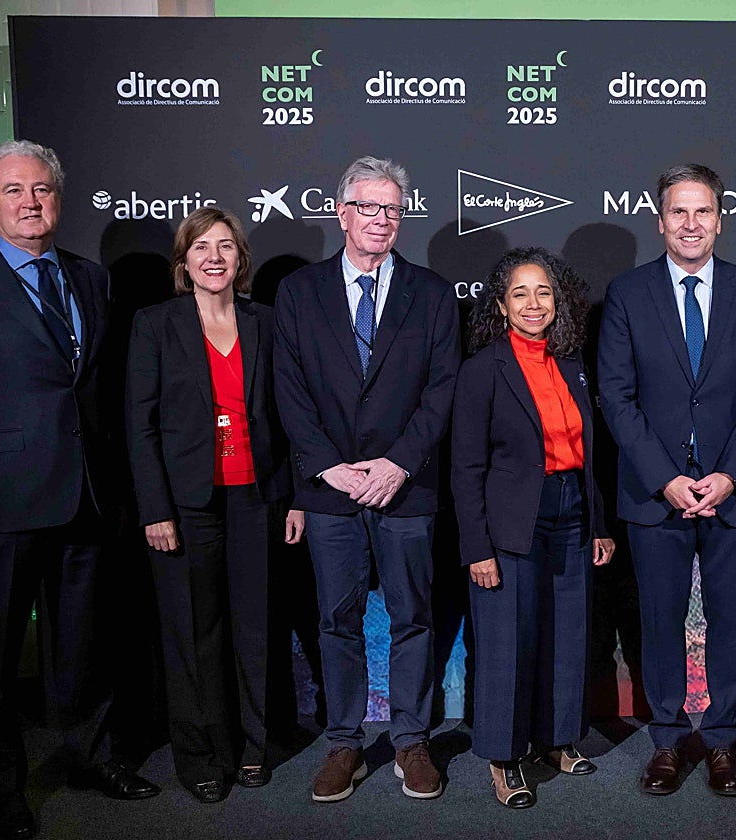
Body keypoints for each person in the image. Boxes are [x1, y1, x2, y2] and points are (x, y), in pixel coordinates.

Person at [0, 140, 159, 840]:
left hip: (87, 497)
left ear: (60, 198)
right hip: (2, 501)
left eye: (42, 190)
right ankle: (1, 791)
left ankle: (91, 759)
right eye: (14, 190)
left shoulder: (89, 278)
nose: (30, 202)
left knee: (86, 644)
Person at [274, 156, 460, 803]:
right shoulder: (299, 293)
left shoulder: (433, 294)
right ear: (342, 212)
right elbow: (290, 393)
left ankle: (411, 740)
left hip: (406, 487)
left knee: (413, 617)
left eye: (392, 209)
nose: (382, 220)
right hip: (329, 491)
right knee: (336, 621)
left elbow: (442, 392)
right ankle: (345, 743)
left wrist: (397, 463)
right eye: (370, 207)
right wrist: (331, 468)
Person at [597, 163, 736, 797]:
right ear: (660, 220)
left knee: (731, 619)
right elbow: (617, 398)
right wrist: (665, 478)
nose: (691, 223)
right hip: (657, 495)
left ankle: (726, 742)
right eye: (679, 212)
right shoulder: (627, 294)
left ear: (720, 219)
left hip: (735, 492)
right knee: (659, 620)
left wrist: (729, 474)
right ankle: (669, 740)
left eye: (703, 211)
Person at [125, 206, 304, 803]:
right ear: (184, 261)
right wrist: (155, 509)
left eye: (225, 246)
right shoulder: (155, 324)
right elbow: (140, 426)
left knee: (255, 629)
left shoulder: (268, 322)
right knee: (193, 632)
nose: (214, 257)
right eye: (200, 247)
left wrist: (297, 498)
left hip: (257, 497)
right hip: (186, 504)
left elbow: (292, 419)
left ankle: (254, 747)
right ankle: (200, 754)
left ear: (240, 258)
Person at [451, 247, 615, 808]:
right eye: (519, 293)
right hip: (509, 524)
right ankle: (504, 756)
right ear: (500, 305)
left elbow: (588, 453)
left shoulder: (571, 363)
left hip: (571, 510)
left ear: (558, 301)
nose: (533, 303)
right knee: (506, 641)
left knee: (568, 633)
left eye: (543, 292)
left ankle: (557, 740)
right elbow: (466, 468)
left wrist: (598, 523)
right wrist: (477, 547)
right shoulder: (482, 370)